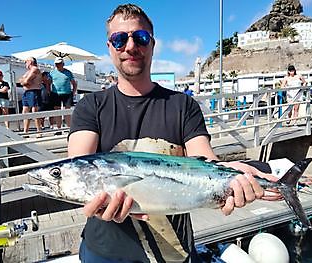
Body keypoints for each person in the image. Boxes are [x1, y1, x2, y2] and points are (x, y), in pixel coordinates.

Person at [68, 4, 278, 263]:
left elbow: (205, 161)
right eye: (120, 39)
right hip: (104, 253)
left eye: (140, 37)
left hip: (174, 254)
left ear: (153, 44)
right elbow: (78, 165)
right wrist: (94, 201)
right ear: (109, 47)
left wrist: (232, 176)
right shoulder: (91, 106)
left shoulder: (183, 105)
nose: (131, 47)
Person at [50, 57, 77, 128]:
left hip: (67, 94)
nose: (57, 65)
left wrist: (73, 92)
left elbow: (74, 83)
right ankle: (59, 128)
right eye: (56, 64)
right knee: (57, 111)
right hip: (56, 94)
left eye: (59, 63)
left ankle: (69, 128)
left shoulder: (68, 73)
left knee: (67, 112)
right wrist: (49, 91)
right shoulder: (52, 72)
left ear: (63, 64)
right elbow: (48, 83)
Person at [19, 57, 42, 136]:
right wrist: (24, 81)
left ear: (30, 62)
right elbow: (21, 81)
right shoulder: (28, 71)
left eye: (26, 61)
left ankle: (39, 131)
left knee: (34, 111)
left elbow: (26, 81)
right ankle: (26, 131)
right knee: (25, 111)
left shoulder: (34, 69)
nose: (25, 63)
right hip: (27, 92)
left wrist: (24, 81)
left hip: (34, 91)